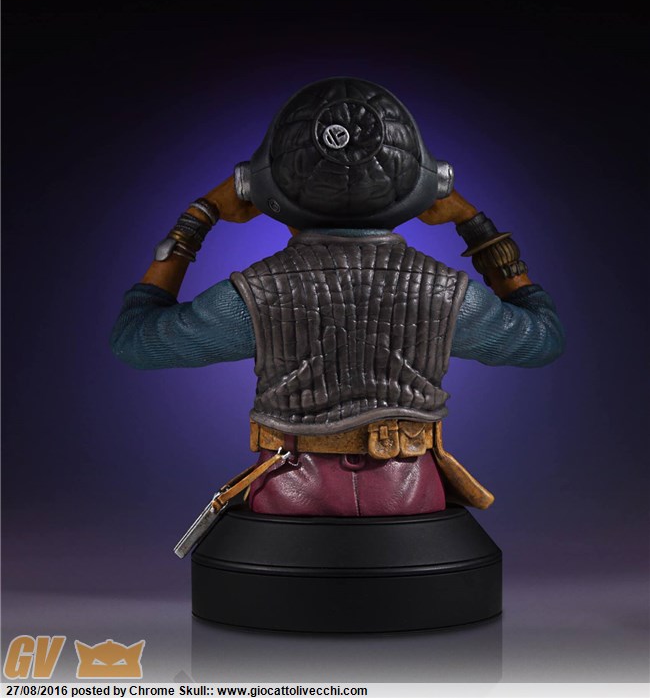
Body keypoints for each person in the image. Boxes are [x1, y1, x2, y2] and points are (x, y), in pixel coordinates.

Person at [111, 78, 565, 518]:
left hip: (287, 498)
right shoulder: (447, 292)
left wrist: (198, 217)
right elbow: (544, 338)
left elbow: (134, 340)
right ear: (427, 187)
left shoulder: (253, 294)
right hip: (411, 497)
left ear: (258, 187)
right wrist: (471, 221)